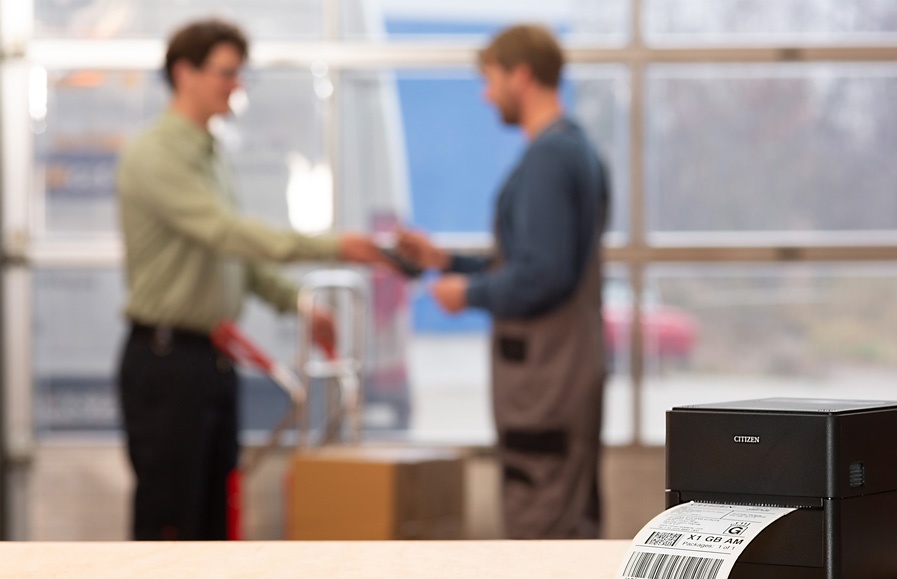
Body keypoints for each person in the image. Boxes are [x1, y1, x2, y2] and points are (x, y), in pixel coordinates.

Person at [116, 18, 384, 541]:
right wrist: (333, 245)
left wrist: (300, 304)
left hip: (211, 362)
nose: (235, 85)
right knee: (171, 524)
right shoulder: (155, 155)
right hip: (167, 365)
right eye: (226, 73)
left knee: (215, 521)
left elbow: (240, 264)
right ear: (185, 73)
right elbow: (226, 234)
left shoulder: (211, 154)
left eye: (240, 74)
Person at [398, 24, 609, 539]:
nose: (485, 93)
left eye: (490, 78)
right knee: (567, 515)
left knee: (544, 524)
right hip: (565, 369)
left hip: (546, 379)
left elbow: (541, 275)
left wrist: (467, 294)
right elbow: (535, 259)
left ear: (522, 76)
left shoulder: (549, 158)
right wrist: (447, 262)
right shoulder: (574, 147)